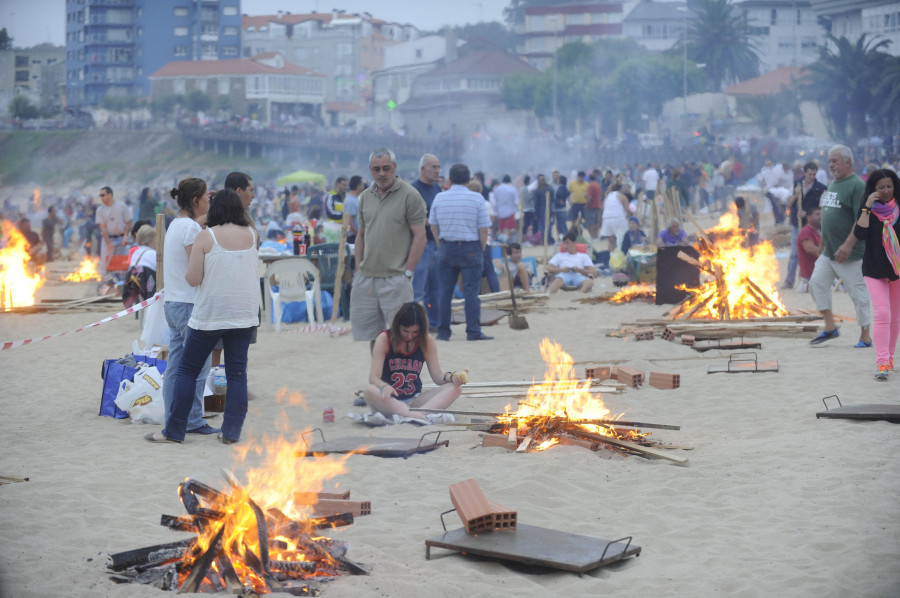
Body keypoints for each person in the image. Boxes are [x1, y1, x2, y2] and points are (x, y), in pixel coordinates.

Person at [146, 189, 260, 444]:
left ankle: (174, 430)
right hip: (244, 314)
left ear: (214, 210)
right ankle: (231, 432)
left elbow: (193, 278)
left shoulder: (205, 238)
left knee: (187, 369)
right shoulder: (253, 235)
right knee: (237, 373)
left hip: (211, 314)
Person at [159, 178, 218, 437]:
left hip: (173, 301)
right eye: (206, 197)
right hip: (188, 303)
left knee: (176, 367)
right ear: (195, 201)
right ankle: (192, 419)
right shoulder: (190, 230)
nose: (209, 201)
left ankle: (173, 416)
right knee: (197, 366)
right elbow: (199, 267)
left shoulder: (177, 225)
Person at [351, 147, 427, 349]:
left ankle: (398, 379)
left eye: (386, 168)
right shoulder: (365, 197)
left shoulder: (410, 195)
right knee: (373, 336)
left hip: (396, 277)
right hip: (367, 278)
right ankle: (378, 378)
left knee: (402, 333)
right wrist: (358, 269)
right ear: (370, 170)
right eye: (376, 169)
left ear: (395, 167)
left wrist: (408, 271)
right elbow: (361, 235)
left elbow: (420, 236)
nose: (381, 173)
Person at [809, 145, 873, 347]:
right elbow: (829, 214)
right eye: (829, 161)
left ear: (848, 162)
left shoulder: (857, 186)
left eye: (835, 161)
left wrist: (847, 245)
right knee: (816, 284)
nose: (831, 165)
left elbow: (861, 219)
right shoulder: (833, 184)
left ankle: (865, 336)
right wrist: (822, 241)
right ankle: (830, 327)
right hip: (829, 251)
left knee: (858, 295)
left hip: (851, 253)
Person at [362, 302, 464, 424]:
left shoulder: (427, 341)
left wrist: (451, 377)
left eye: (415, 332)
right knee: (370, 391)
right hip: (390, 400)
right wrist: (384, 386)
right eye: (405, 331)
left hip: (414, 400)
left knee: (455, 389)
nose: (409, 336)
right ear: (397, 326)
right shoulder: (384, 339)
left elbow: (437, 377)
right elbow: (373, 377)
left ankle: (415, 415)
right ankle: (416, 416)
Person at [430, 163, 493, 341]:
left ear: (449, 180)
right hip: (471, 247)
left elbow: (433, 225)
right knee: (471, 292)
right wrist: (480, 249)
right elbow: (484, 230)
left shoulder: (439, 198)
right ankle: (473, 331)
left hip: (446, 247)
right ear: (469, 180)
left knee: (445, 292)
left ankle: (443, 332)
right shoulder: (477, 199)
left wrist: (440, 244)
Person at [853, 169, 900, 379]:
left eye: (889, 186)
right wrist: (867, 207)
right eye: (881, 187)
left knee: (895, 318)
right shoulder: (868, 210)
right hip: (873, 269)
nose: (886, 191)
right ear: (873, 189)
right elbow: (860, 234)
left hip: (897, 269)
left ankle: (890, 358)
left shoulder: (899, 209)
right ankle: (881, 364)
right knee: (882, 314)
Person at [783, 162, 827, 289]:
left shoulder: (820, 188)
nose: (812, 176)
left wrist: (806, 213)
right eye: (810, 174)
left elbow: (820, 207)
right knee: (794, 253)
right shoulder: (796, 185)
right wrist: (796, 195)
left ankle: (815, 279)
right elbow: (789, 204)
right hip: (798, 224)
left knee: (816, 250)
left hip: (814, 226)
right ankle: (789, 281)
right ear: (805, 173)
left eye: (814, 174)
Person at [411, 154, 442, 328]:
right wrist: (431, 221)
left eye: (438, 167)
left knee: (436, 289)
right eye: (434, 167)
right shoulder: (413, 190)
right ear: (423, 169)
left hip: (436, 244)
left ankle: (435, 323)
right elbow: (410, 217)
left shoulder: (437, 188)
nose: (437, 171)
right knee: (418, 289)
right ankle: (413, 323)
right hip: (420, 245)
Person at [95, 186, 131, 274]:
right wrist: (108, 244)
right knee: (106, 265)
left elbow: (128, 222)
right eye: (100, 195)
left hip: (120, 239)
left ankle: (121, 285)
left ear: (110, 195)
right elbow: (102, 228)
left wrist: (125, 237)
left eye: (103, 195)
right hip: (107, 239)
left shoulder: (121, 206)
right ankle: (105, 284)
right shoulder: (100, 210)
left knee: (122, 265)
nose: (101, 197)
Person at [797, 206, 822, 293]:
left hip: (819, 274)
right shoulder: (806, 231)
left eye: (821, 214)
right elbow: (810, 249)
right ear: (809, 217)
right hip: (811, 276)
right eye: (817, 214)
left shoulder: (818, 231)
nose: (820, 216)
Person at [601, 182, 630, 253]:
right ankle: (622, 259)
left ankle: (611, 259)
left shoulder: (607, 197)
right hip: (618, 217)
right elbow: (627, 209)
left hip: (606, 218)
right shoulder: (621, 196)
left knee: (611, 242)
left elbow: (603, 208)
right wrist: (630, 216)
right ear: (620, 189)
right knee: (622, 240)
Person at [493, 175, 519, 242]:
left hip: (499, 212)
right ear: (510, 181)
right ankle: (507, 244)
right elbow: (517, 201)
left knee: (501, 229)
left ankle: (501, 245)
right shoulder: (512, 189)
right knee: (507, 230)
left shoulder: (496, 189)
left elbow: (494, 201)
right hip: (510, 212)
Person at [342, 175, 365, 244]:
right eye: (362, 184)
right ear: (358, 186)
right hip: (353, 236)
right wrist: (358, 235)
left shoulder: (355, 199)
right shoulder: (351, 201)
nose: (363, 187)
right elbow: (349, 222)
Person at [585, 171, 604, 240]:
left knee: (591, 223)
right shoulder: (598, 185)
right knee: (597, 222)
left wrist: (586, 205)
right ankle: (596, 236)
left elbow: (589, 197)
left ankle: (593, 237)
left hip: (592, 207)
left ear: (589, 179)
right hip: (598, 206)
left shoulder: (591, 185)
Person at [553, 175, 570, 240]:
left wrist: (558, 201)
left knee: (561, 223)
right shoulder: (565, 188)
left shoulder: (561, 189)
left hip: (560, 208)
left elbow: (559, 197)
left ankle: (565, 237)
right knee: (562, 223)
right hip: (563, 208)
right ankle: (564, 236)